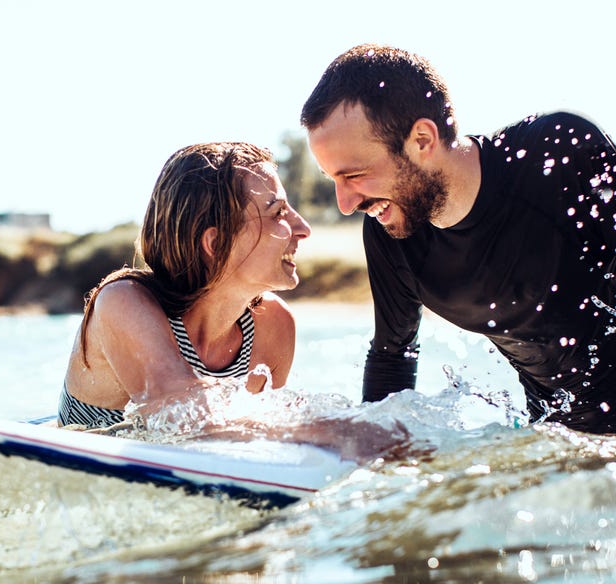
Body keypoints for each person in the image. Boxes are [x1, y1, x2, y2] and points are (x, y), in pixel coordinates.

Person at [301, 43, 616, 434]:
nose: (345, 204)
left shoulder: (556, 154)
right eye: (333, 180)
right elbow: (392, 356)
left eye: (353, 175)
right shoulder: (393, 235)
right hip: (560, 441)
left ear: (422, 140)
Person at [58, 142, 311, 429]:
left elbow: (258, 448)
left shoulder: (273, 325)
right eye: (278, 213)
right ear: (216, 244)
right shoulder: (123, 301)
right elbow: (181, 414)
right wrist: (336, 433)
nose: (303, 228)